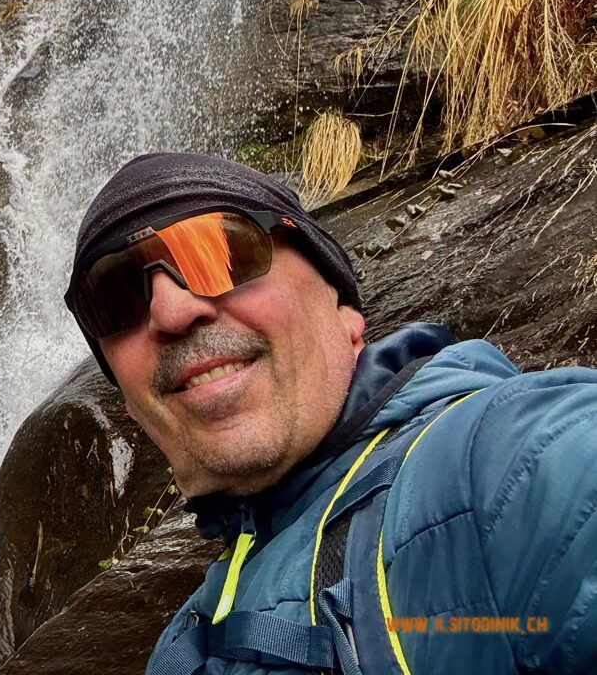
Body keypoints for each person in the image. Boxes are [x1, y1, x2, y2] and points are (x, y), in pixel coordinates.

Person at [64, 152, 597, 675]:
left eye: (220, 252)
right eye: (115, 299)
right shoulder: (184, 637)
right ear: (131, 405)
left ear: (346, 312)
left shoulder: (507, 460)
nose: (171, 310)